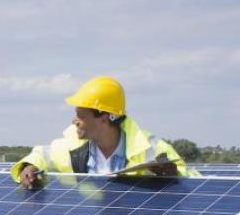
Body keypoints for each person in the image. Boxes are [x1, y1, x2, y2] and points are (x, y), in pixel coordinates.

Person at [12, 76, 194, 190]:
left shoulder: (152, 149)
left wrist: (175, 177)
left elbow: (196, 184)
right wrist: (28, 167)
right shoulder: (72, 146)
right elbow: (42, 155)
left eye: (80, 116)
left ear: (104, 118)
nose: (74, 121)